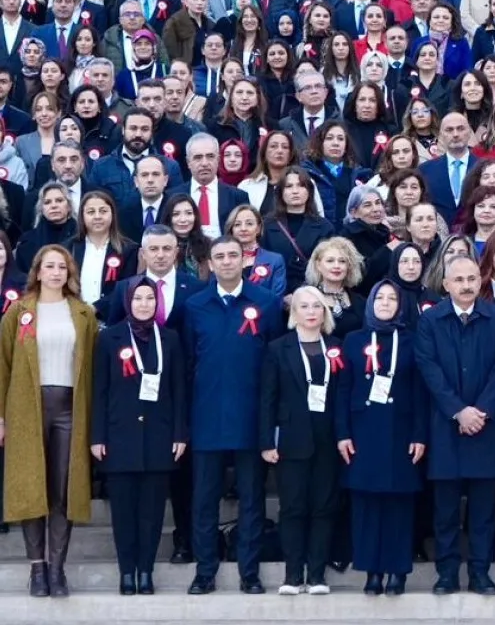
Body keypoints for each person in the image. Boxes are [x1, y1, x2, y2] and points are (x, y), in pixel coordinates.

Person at [183, 235, 284, 596]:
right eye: (219, 256)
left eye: (232, 255)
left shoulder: (267, 304)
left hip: (252, 418)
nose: (226, 261)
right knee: (204, 499)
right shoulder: (195, 306)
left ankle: (250, 572)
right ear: (208, 262)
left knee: (253, 500)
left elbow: (275, 364)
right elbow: (189, 363)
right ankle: (205, 571)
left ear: (244, 260)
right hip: (207, 416)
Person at [0, 244, 99, 598]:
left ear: (69, 273)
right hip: (27, 407)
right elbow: (3, 365)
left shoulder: (83, 314)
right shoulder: (19, 311)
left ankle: (58, 569)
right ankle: (37, 569)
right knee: (32, 487)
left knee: (62, 490)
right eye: (49, 266)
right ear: (38, 272)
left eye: (62, 267)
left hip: (69, 408)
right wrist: (1, 416)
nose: (56, 272)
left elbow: (91, 368)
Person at [414, 254, 495, 595]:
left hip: (486, 429)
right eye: (459, 280)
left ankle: (480, 573)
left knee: (484, 511)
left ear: (480, 280)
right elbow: (428, 369)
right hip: (447, 428)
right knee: (445, 511)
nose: (467, 285)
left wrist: (480, 411)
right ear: (445, 285)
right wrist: (459, 411)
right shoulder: (430, 321)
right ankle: (446, 573)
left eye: (472, 279)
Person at [90, 278, 188, 596]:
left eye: (150, 298)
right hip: (120, 438)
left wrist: (179, 432)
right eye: (138, 298)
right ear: (128, 301)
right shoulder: (109, 339)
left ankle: (145, 571)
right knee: (123, 514)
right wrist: (97, 436)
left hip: (159, 438)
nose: (144, 304)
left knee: (152, 513)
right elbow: (99, 392)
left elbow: (178, 390)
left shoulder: (170, 339)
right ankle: (126, 572)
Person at [333, 280, 427, 596]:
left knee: (399, 505)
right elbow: (343, 389)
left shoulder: (413, 341)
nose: (385, 303)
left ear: (400, 306)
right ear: (371, 302)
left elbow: (420, 391)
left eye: (392, 298)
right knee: (366, 504)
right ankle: (371, 571)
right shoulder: (352, 340)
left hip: (401, 434)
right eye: (380, 297)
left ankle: (397, 572)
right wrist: (342, 433)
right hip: (362, 433)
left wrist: (419, 434)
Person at [259, 286, 344, 595]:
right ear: (294, 313)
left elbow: (343, 397)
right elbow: (268, 398)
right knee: (293, 508)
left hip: (328, 440)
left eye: (317, 306)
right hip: (291, 440)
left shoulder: (336, 347)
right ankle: (293, 575)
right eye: (304, 306)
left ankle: (318, 575)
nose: (311, 312)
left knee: (323, 507)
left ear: (324, 312)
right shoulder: (277, 348)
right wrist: (267, 441)